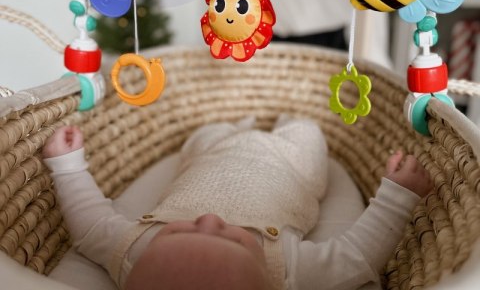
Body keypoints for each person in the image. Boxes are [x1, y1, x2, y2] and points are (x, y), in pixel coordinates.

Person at [43, 116, 432, 290]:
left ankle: (233, 126)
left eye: (177, 232)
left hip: (208, 155)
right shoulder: (289, 273)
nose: (210, 219)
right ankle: (289, 121)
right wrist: (398, 196)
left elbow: (90, 224)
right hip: (290, 165)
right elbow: (357, 256)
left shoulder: (131, 252)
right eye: (232, 239)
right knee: (309, 131)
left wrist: (67, 165)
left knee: (205, 130)